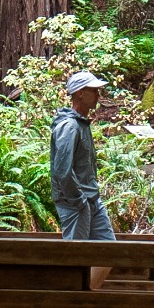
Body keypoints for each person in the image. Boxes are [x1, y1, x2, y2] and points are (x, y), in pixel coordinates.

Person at [49, 71, 115, 241]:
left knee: (109, 252)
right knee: (76, 257)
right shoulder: (69, 127)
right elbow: (62, 170)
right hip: (76, 203)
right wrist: (79, 200)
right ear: (79, 93)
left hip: (92, 199)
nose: (97, 94)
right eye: (93, 90)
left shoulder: (81, 124)